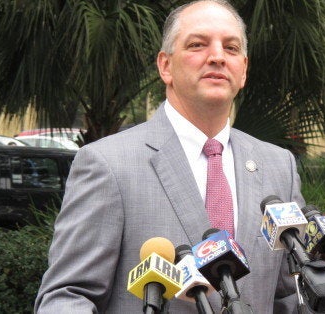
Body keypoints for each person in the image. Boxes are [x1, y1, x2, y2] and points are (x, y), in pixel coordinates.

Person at [34, 1, 304, 313]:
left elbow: (286, 295)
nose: (217, 57)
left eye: (230, 48)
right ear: (165, 66)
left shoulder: (278, 166)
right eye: (197, 44)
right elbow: (68, 296)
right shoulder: (108, 164)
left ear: (243, 70)